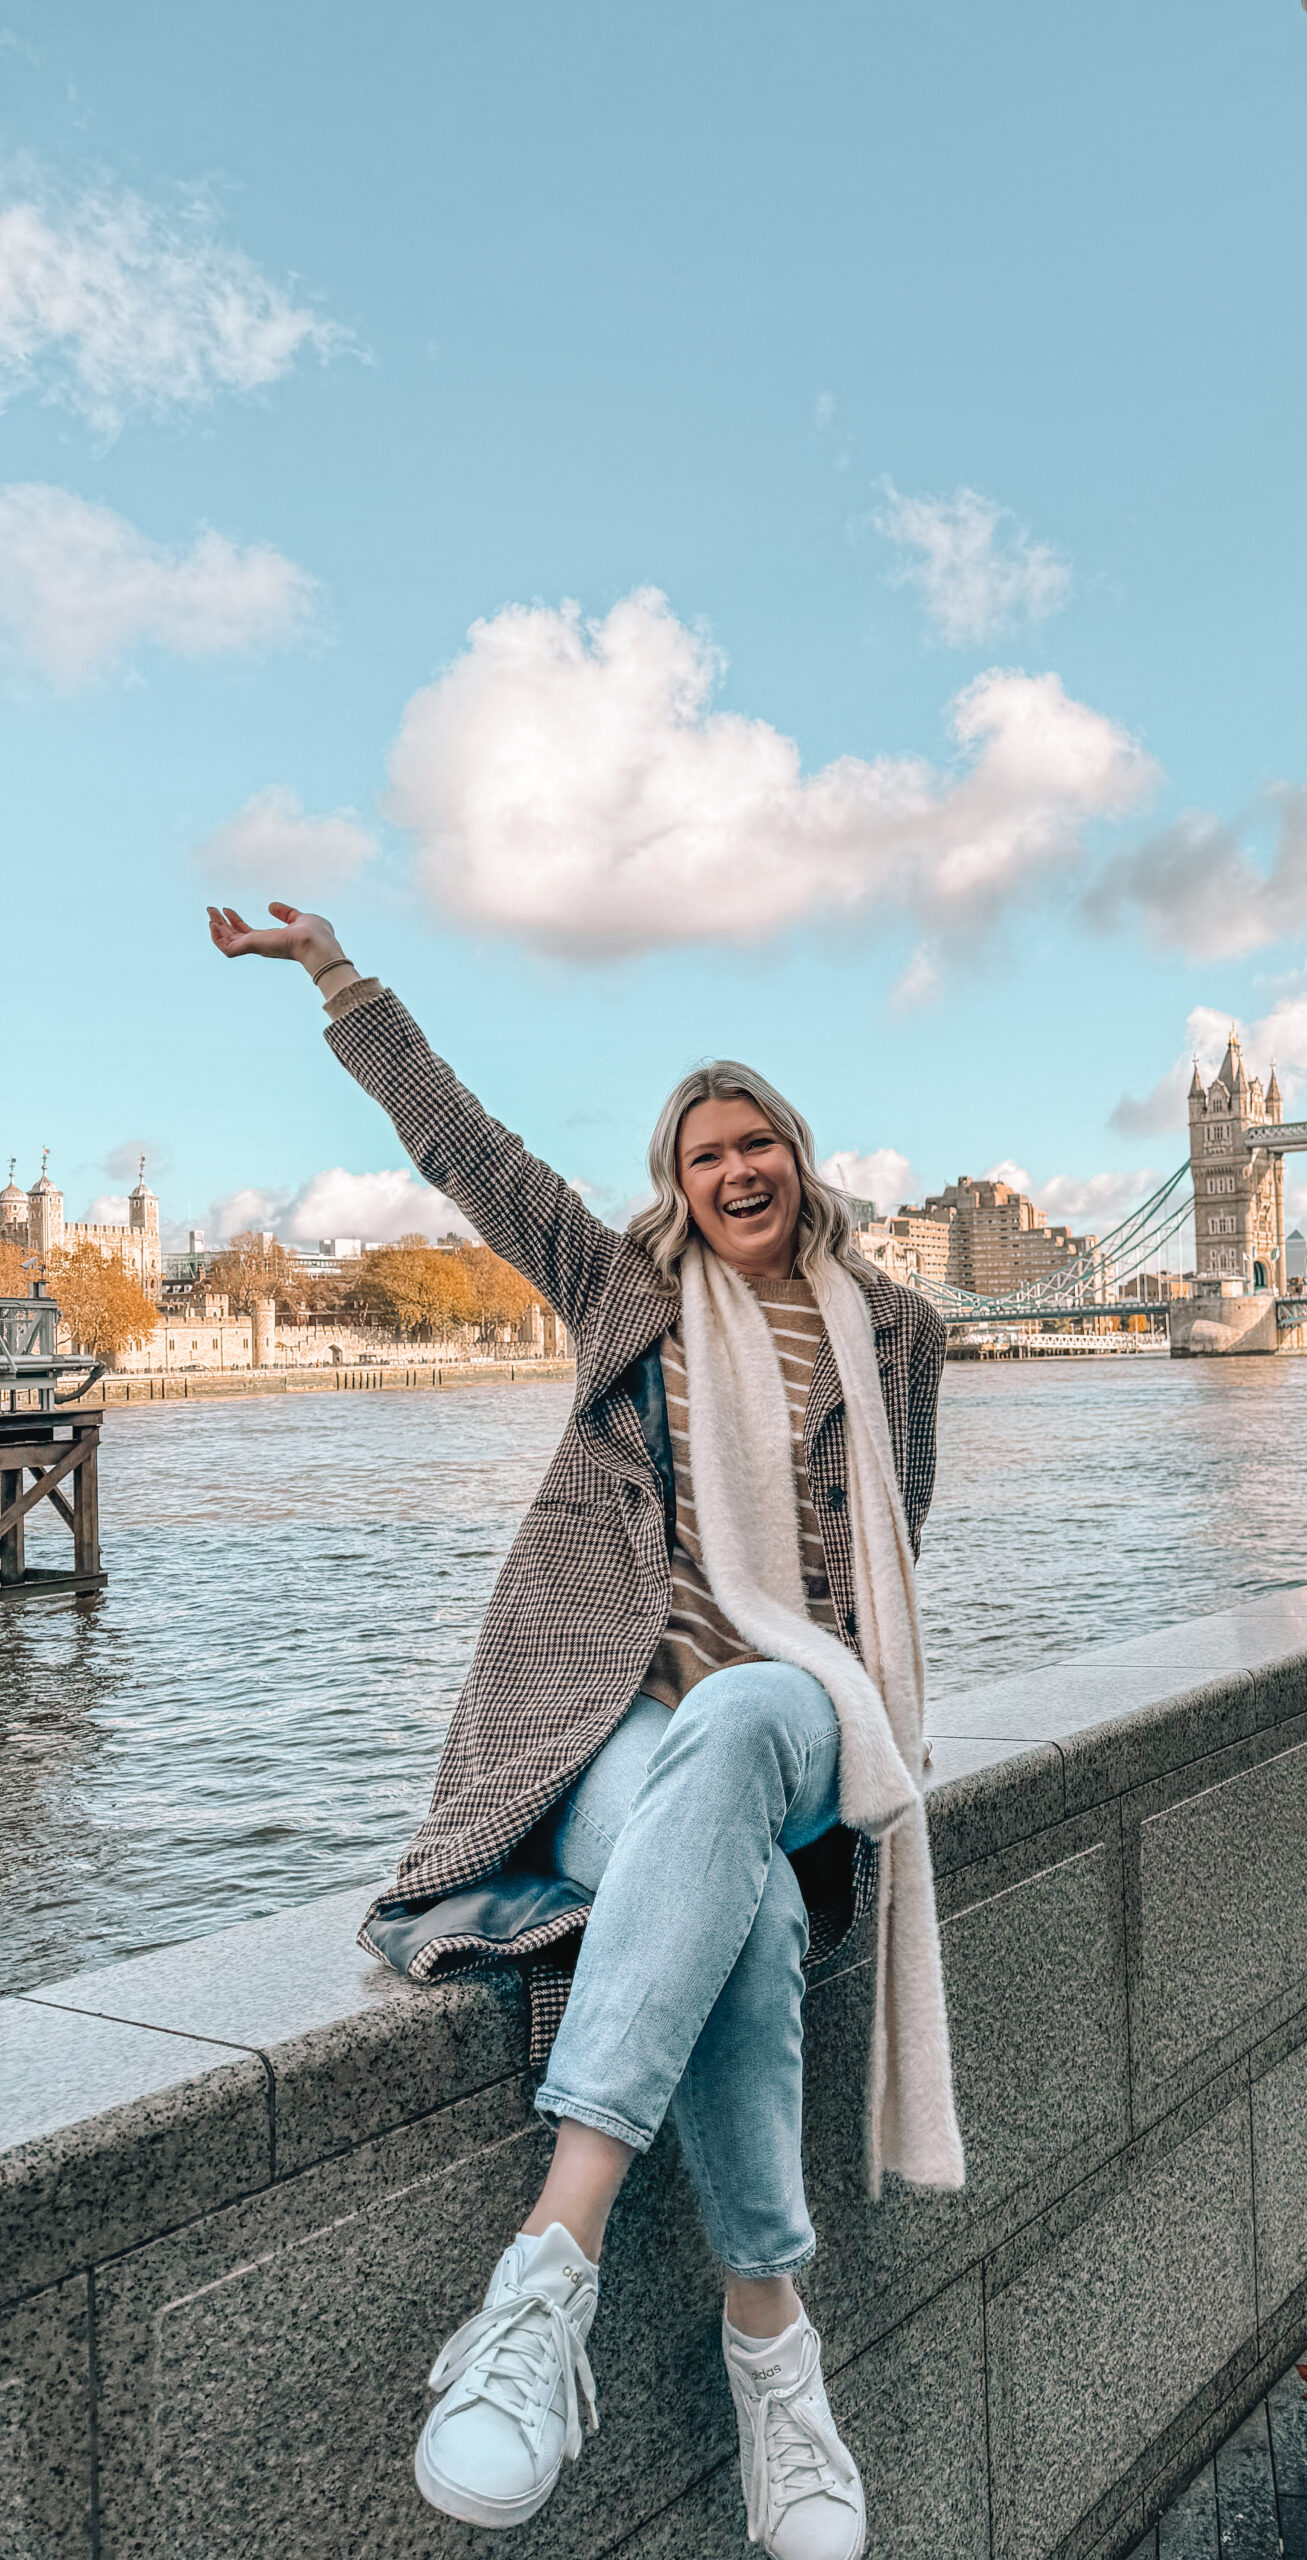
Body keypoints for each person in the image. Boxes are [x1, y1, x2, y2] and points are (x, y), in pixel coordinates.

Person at [207, 900, 964, 2558]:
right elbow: (461, 1147)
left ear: (800, 1156)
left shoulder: (896, 1331)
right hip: (615, 1725)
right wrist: (339, 977)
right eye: (706, 1154)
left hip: (800, 1718)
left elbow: (897, 1535)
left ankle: (553, 2259)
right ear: (675, 1182)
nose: (737, 1170)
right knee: (741, 1903)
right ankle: (771, 2348)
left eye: (759, 1141)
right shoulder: (619, 1290)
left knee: (764, 1698)